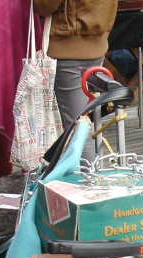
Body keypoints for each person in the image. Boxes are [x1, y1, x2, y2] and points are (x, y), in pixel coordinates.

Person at [34, 0, 118, 164]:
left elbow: (43, 5)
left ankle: (87, 183)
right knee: (85, 125)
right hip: (97, 38)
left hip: (68, 45)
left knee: (79, 131)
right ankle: (90, 179)